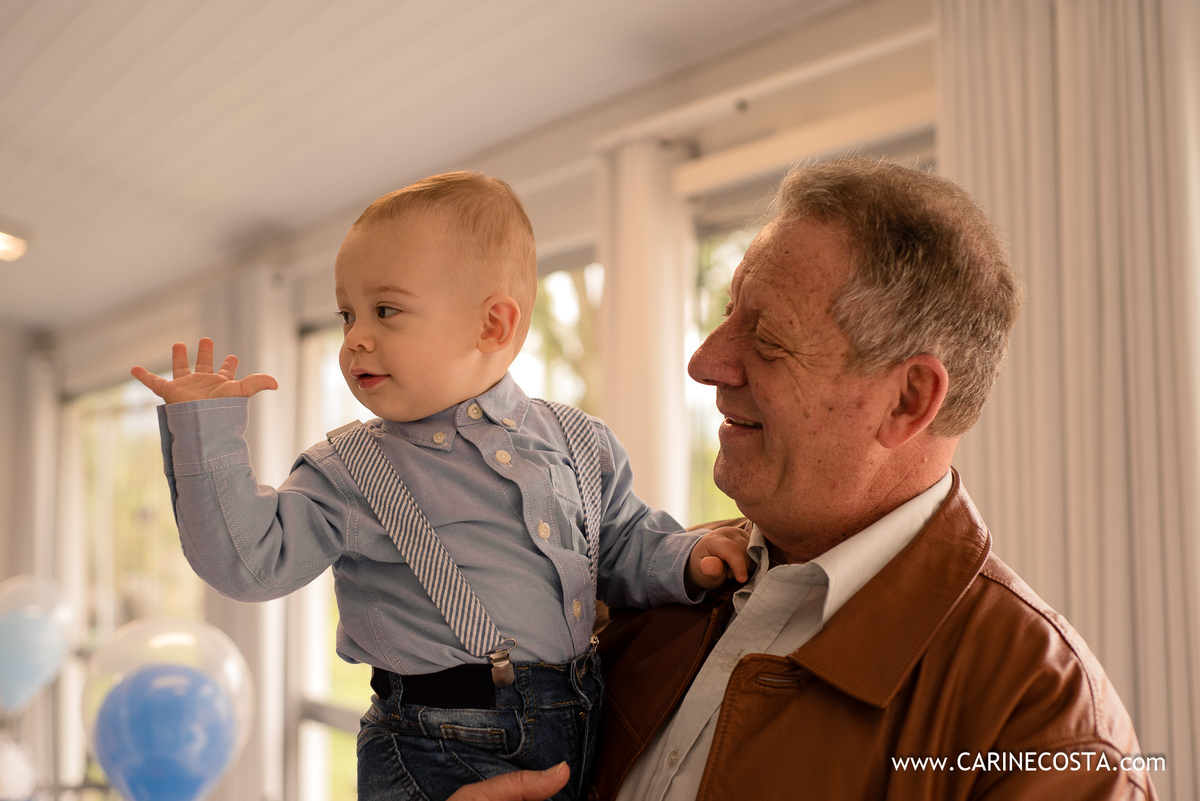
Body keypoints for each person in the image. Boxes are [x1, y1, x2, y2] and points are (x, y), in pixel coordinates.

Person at [447, 158, 1158, 800]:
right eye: (730, 313)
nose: (705, 362)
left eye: (767, 337)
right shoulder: (652, 584)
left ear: (908, 399)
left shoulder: (1046, 732)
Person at [131, 171, 749, 801]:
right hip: (429, 754)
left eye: (385, 310)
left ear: (492, 326)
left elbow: (622, 546)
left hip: (582, 732)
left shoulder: (580, 441)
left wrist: (685, 559)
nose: (354, 339)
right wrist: (204, 433)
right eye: (347, 315)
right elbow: (248, 563)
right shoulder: (348, 469)